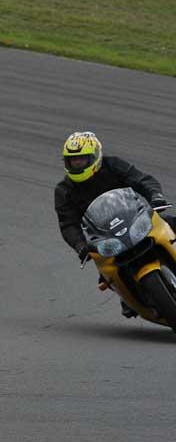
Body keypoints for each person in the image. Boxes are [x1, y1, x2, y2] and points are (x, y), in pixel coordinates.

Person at [54, 131, 175, 317]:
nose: (77, 164)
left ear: (94, 157)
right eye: (73, 160)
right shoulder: (64, 190)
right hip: (104, 236)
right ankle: (128, 296)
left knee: (170, 223)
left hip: (135, 218)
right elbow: (67, 224)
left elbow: (141, 180)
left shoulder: (112, 165)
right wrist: (80, 245)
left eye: (82, 159)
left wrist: (156, 196)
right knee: (105, 274)